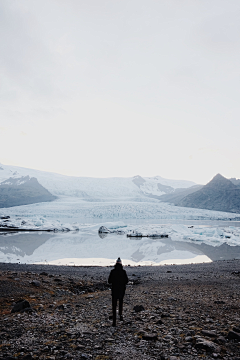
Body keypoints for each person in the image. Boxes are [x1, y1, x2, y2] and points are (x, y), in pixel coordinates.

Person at [108, 257, 128, 327]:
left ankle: (114, 321)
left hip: (114, 290)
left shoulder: (112, 271)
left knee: (114, 305)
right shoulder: (123, 272)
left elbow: (109, 281)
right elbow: (126, 281)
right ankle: (120, 315)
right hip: (121, 290)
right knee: (120, 303)